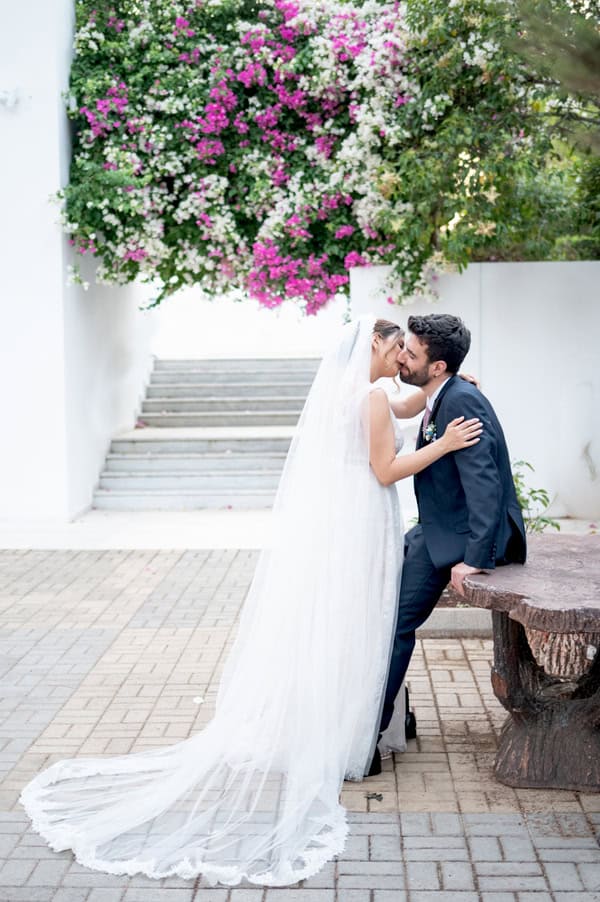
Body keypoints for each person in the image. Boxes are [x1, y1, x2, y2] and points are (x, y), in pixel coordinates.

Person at [19, 316, 481, 887]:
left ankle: (343, 720)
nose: (403, 357)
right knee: (356, 623)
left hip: (346, 517)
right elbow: (386, 469)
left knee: (342, 624)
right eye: (396, 348)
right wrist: (446, 445)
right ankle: (343, 733)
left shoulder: (368, 393)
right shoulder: (367, 398)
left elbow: (402, 408)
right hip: (361, 517)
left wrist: (435, 395)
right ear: (376, 348)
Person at [369, 313, 526, 777]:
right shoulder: (442, 393)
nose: (401, 357)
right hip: (434, 528)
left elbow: (486, 485)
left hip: (456, 539)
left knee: (394, 624)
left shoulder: (460, 402)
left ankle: (366, 740)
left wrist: (475, 559)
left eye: (411, 354)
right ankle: (397, 717)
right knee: (381, 611)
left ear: (436, 366)